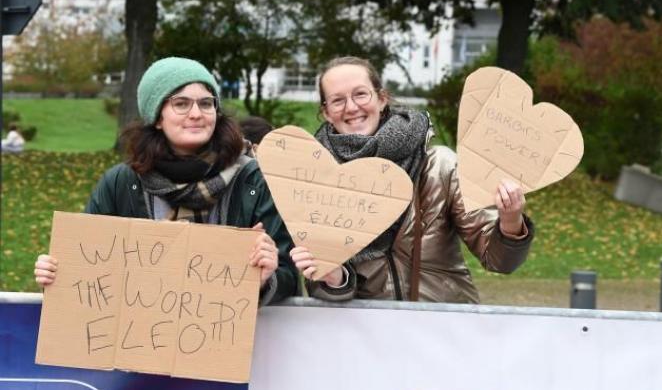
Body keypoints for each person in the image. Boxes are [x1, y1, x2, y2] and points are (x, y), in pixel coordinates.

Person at [34, 57, 297, 304]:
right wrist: (57, 272)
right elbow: (85, 267)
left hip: (233, 342)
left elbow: (289, 278)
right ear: (157, 117)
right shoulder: (121, 183)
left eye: (206, 103)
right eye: (181, 104)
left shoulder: (253, 180)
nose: (196, 113)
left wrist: (265, 278)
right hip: (139, 345)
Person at [289, 56, 535, 303]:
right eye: (338, 100)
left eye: (361, 94)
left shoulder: (438, 167)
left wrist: (511, 221)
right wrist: (335, 278)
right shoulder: (317, 181)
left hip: (443, 329)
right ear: (326, 112)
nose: (351, 107)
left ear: (382, 98)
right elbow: (320, 286)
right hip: (365, 333)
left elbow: (499, 260)